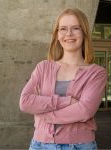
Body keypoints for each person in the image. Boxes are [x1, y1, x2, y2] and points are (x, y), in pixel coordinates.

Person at [19, 8, 107, 150]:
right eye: (63, 29)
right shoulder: (43, 67)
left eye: (75, 28)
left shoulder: (96, 73)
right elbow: (25, 102)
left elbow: (85, 111)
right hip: (39, 144)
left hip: (79, 146)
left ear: (84, 32)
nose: (69, 34)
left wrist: (45, 114)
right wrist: (67, 101)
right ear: (57, 35)